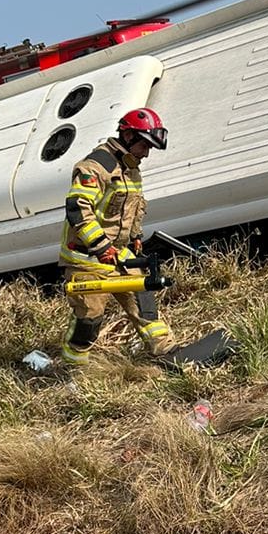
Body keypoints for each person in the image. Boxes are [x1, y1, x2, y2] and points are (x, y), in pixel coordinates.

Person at [58, 107, 177, 366]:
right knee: (89, 319)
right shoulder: (95, 167)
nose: (146, 153)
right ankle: (73, 369)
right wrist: (100, 246)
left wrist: (135, 236)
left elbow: (133, 207)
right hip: (86, 259)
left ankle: (166, 353)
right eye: (144, 146)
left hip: (119, 255)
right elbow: (78, 209)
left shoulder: (131, 168)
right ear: (128, 137)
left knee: (144, 302)